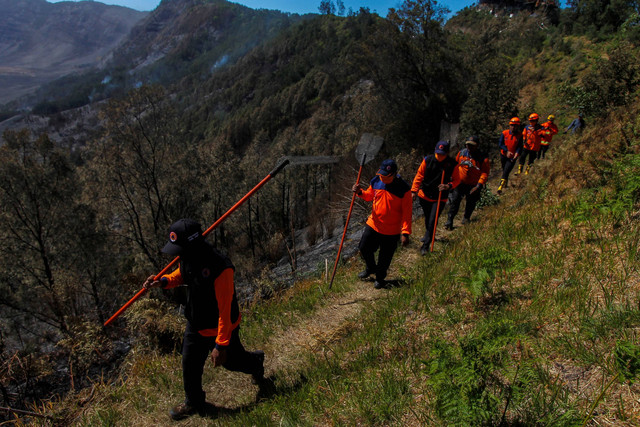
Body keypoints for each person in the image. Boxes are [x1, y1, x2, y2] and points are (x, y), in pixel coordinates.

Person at [143, 219, 265, 421]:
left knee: (233, 363)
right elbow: (182, 274)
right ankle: (194, 401)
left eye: (179, 247)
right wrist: (162, 281)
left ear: (191, 244)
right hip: (196, 323)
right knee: (189, 363)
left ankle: (256, 362)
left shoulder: (220, 267)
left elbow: (224, 311)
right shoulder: (188, 255)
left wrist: (221, 344)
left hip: (221, 327)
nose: (176, 253)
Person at [353, 159, 412, 289]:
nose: (382, 178)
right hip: (374, 223)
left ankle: (380, 278)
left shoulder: (404, 189)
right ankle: (370, 268)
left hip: (392, 230)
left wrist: (405, 232)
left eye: (386, 176)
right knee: (364, 247)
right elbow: (369, 195)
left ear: (394, 174)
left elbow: (407, 213)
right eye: (381, 174)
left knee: (385, 257)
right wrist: (360, 192)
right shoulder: (376, 181)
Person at [411, 140, 456, 255]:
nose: (439, 156)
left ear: (446, 153)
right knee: (427, 219)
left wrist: (448, 186)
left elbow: (458, 179)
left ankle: (425, 246)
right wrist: (414, 191)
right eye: (438, 153)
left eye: (442, 154)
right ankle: (429, 234)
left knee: (432, 220)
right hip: (425, 195)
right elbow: (419, 175)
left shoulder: (451, 163)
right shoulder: (428, 160)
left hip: (440, 197)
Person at [444, 136, 490, 229]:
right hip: (460, 183)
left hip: (473, 185)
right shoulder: (461, 153)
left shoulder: (483, 158)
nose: (469, 147)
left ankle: (466, 218)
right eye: (468, 145)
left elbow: (485, 173)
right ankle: (449, 220)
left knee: (471, 202)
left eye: (472, 145)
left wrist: (478, 186)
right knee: (455, 201)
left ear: (477, 146)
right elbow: (456, 165)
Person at [497, 117, 523, 194]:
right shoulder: (504, 133)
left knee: (506, 170)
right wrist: (506, 151)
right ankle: (505, 181)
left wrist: (516, 154)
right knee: (504, 169)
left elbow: (520, 146)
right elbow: (500, 143)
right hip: (504, 155)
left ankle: (500, 187)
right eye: (512, 125)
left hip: (512, 157)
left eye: (515, 125)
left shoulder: (520, 135)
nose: (513, 127)